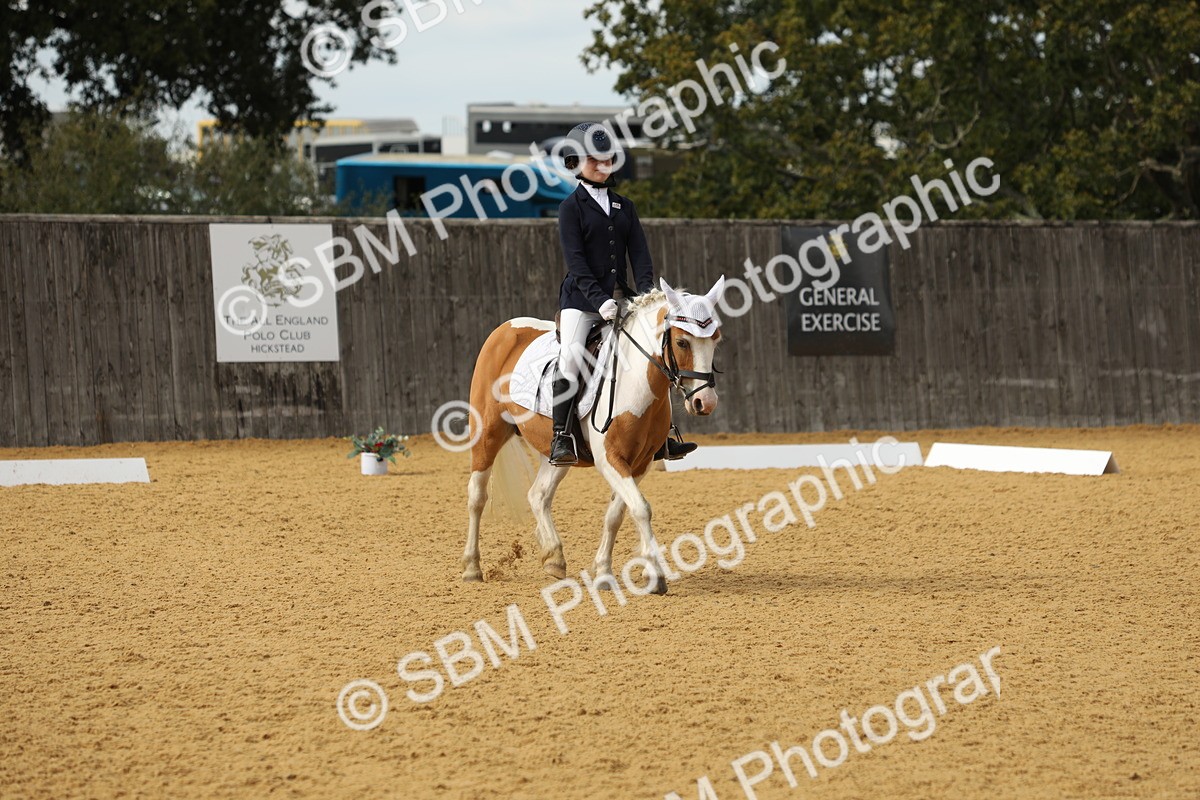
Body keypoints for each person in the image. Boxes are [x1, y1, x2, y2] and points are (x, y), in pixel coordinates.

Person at [549, 122, 697, 466]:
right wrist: (599, 301)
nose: (602, 167)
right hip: (581, 302)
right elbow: (576, 262)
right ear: (575, 162)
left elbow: (640, 256)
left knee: (655, 356)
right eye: (593, 161)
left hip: (624, 299)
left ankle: (662, 436)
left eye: (606, 160)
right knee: (571, 357)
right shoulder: (570, 208)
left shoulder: (624, 206)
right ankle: (562, 435)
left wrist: (647, 299)